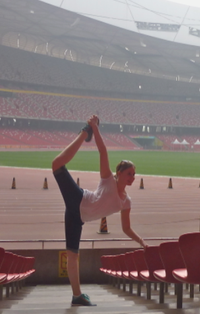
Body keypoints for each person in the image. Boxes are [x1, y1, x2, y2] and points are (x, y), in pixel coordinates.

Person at [52, 115, 147, 307]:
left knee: (73, 254)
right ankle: (83, 134)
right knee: (57, 165)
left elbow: (126, 228)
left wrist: (141, 241)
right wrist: (94, 128)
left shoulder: (126, 202)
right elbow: (103, 151)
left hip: (77, 217)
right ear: (119, 174)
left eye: (134, 175)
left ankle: (77, 296)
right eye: (129, 174)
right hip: (78, 199)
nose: (132, 178)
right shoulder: (108, 181)